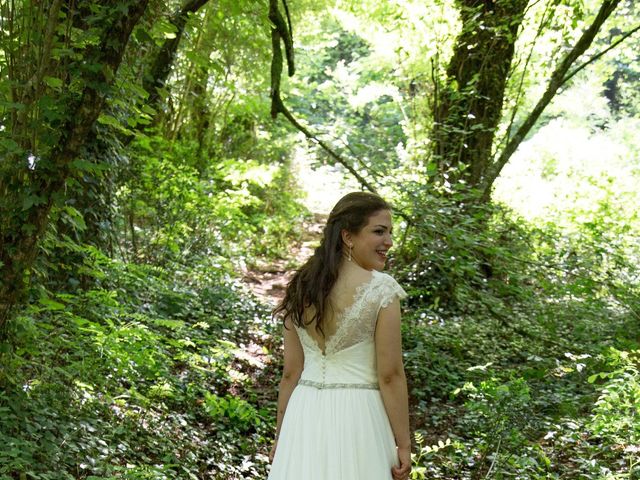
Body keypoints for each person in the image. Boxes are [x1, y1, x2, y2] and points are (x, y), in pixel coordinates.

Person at [268, 192, 411, 480]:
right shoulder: (382, 290)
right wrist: (404, 443)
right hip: (359, 417)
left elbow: (291, 374)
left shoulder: (300, 287)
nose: (389, 242)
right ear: (348, 236)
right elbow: (390, 375)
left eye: (390, 233)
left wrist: (281, 437)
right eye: (379, 231)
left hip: (304, 414)